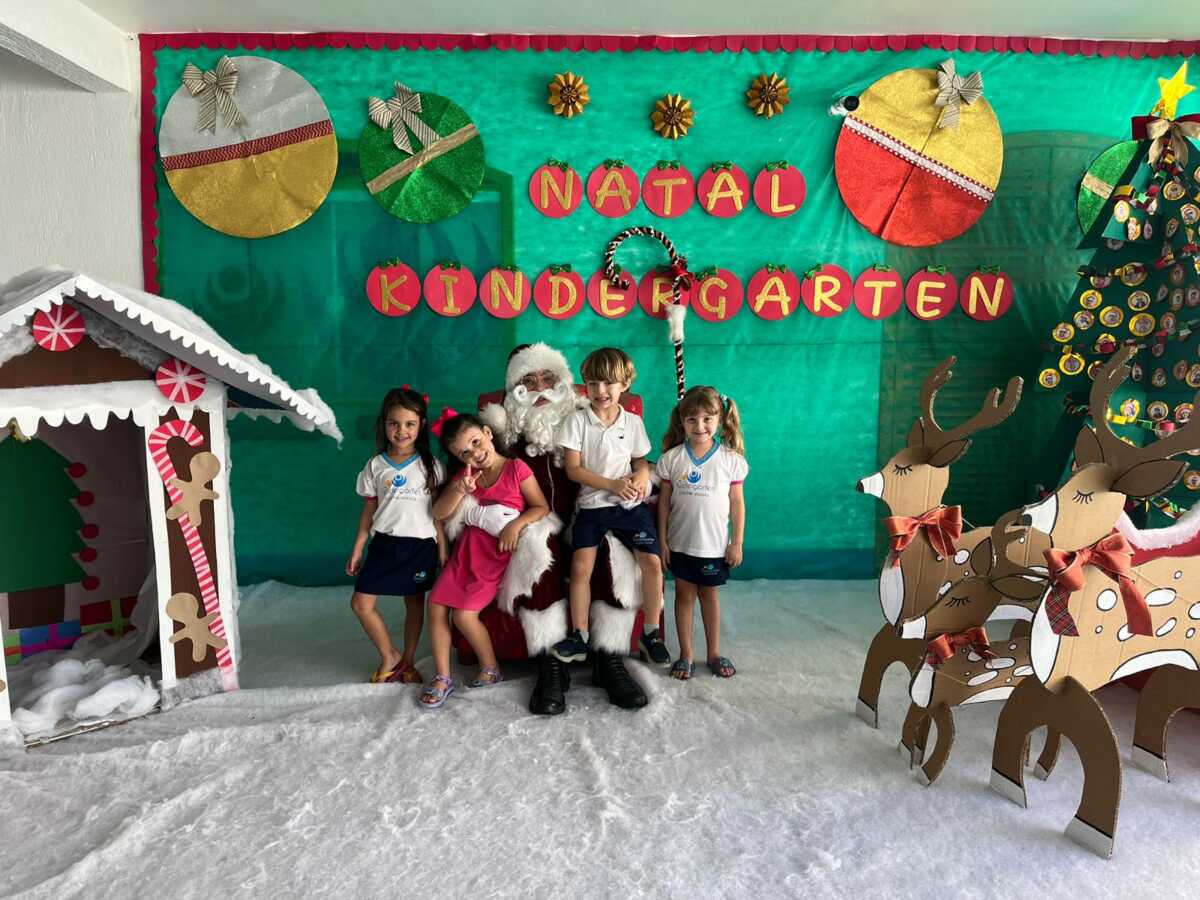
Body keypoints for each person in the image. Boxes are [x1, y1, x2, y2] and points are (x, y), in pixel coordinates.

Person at [478, 343, 650, 713]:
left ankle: (609, 658)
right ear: (514, 392)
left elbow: (635, 460)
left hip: (595, 511)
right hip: (535, 521)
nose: (540, 388)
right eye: (528, 381)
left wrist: (640, 478)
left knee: (611, 552)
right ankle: (551, 664)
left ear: (565, 383)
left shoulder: (591, 419)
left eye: (548, 378)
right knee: (540, 554)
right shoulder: (503, 440)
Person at [419, 412, 550, 709]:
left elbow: (541, 507)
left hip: (493, 557)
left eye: (476, 442)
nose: (475, 454)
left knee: (464, 616)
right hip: (465, 553)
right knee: (436, 605)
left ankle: (490, 668)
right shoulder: (467, 478)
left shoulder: (516, 468)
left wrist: (515, 525)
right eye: (464, 453)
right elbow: (439, 513)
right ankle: (442, 676)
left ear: (488, 433)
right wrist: (459, 490)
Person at [552, 348, 669, 668]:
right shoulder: (576, 421)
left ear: (625, 384)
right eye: (592, 383)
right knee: (580, 568)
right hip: (592, 507)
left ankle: (651, 633)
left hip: (629, 508)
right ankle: (579, 636)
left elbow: (640, 462)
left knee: (652, 564)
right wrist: (611, 485)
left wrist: (642, 475)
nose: (600, 390)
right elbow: (573, 470)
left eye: (608, 383)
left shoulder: (632, 422)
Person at [346, 387, 444, 684]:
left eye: (410, 424)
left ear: (421, 425)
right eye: (394, 423)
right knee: (361, 604)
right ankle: (390, 656)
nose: (402, 431)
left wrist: (444, 550)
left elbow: (439, 514)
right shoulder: (375, 465)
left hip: (421, 547)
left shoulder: (431, 466)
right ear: (384, 424)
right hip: (384, 545)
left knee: (414, 602)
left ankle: (408, 662)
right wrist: (358, 548)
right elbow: (369, 510)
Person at [656, 386, 748, 679]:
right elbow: (664, 503)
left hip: (714, 547)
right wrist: (662, 541)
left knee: (709, 597)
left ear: (719, 419)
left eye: (708, 418)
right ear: (682, 421)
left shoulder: (731, 460)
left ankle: (713, 653)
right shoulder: (671, 459)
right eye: (692, 419)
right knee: (683, 596)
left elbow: (737, 504)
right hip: (681, 544)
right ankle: (686, 655)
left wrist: (737, 543)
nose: (700, 426)